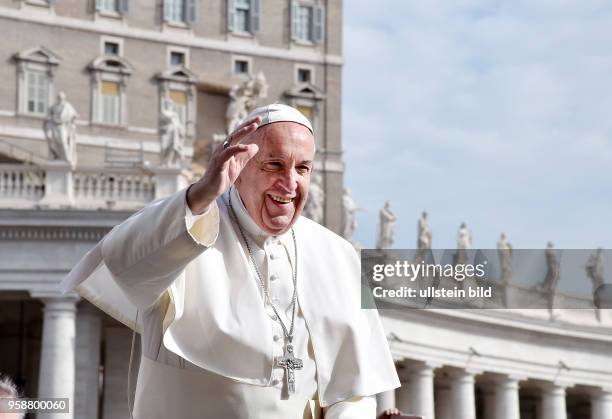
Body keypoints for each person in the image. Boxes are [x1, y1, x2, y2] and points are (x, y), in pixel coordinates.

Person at [62, 104, 400, 418]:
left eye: (303, 168)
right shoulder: (187, 227)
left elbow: (354, 392)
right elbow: (126, 261)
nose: (291, 183)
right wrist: (200, 195)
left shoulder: (339, 257)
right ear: (238, 169)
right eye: (274, 165)